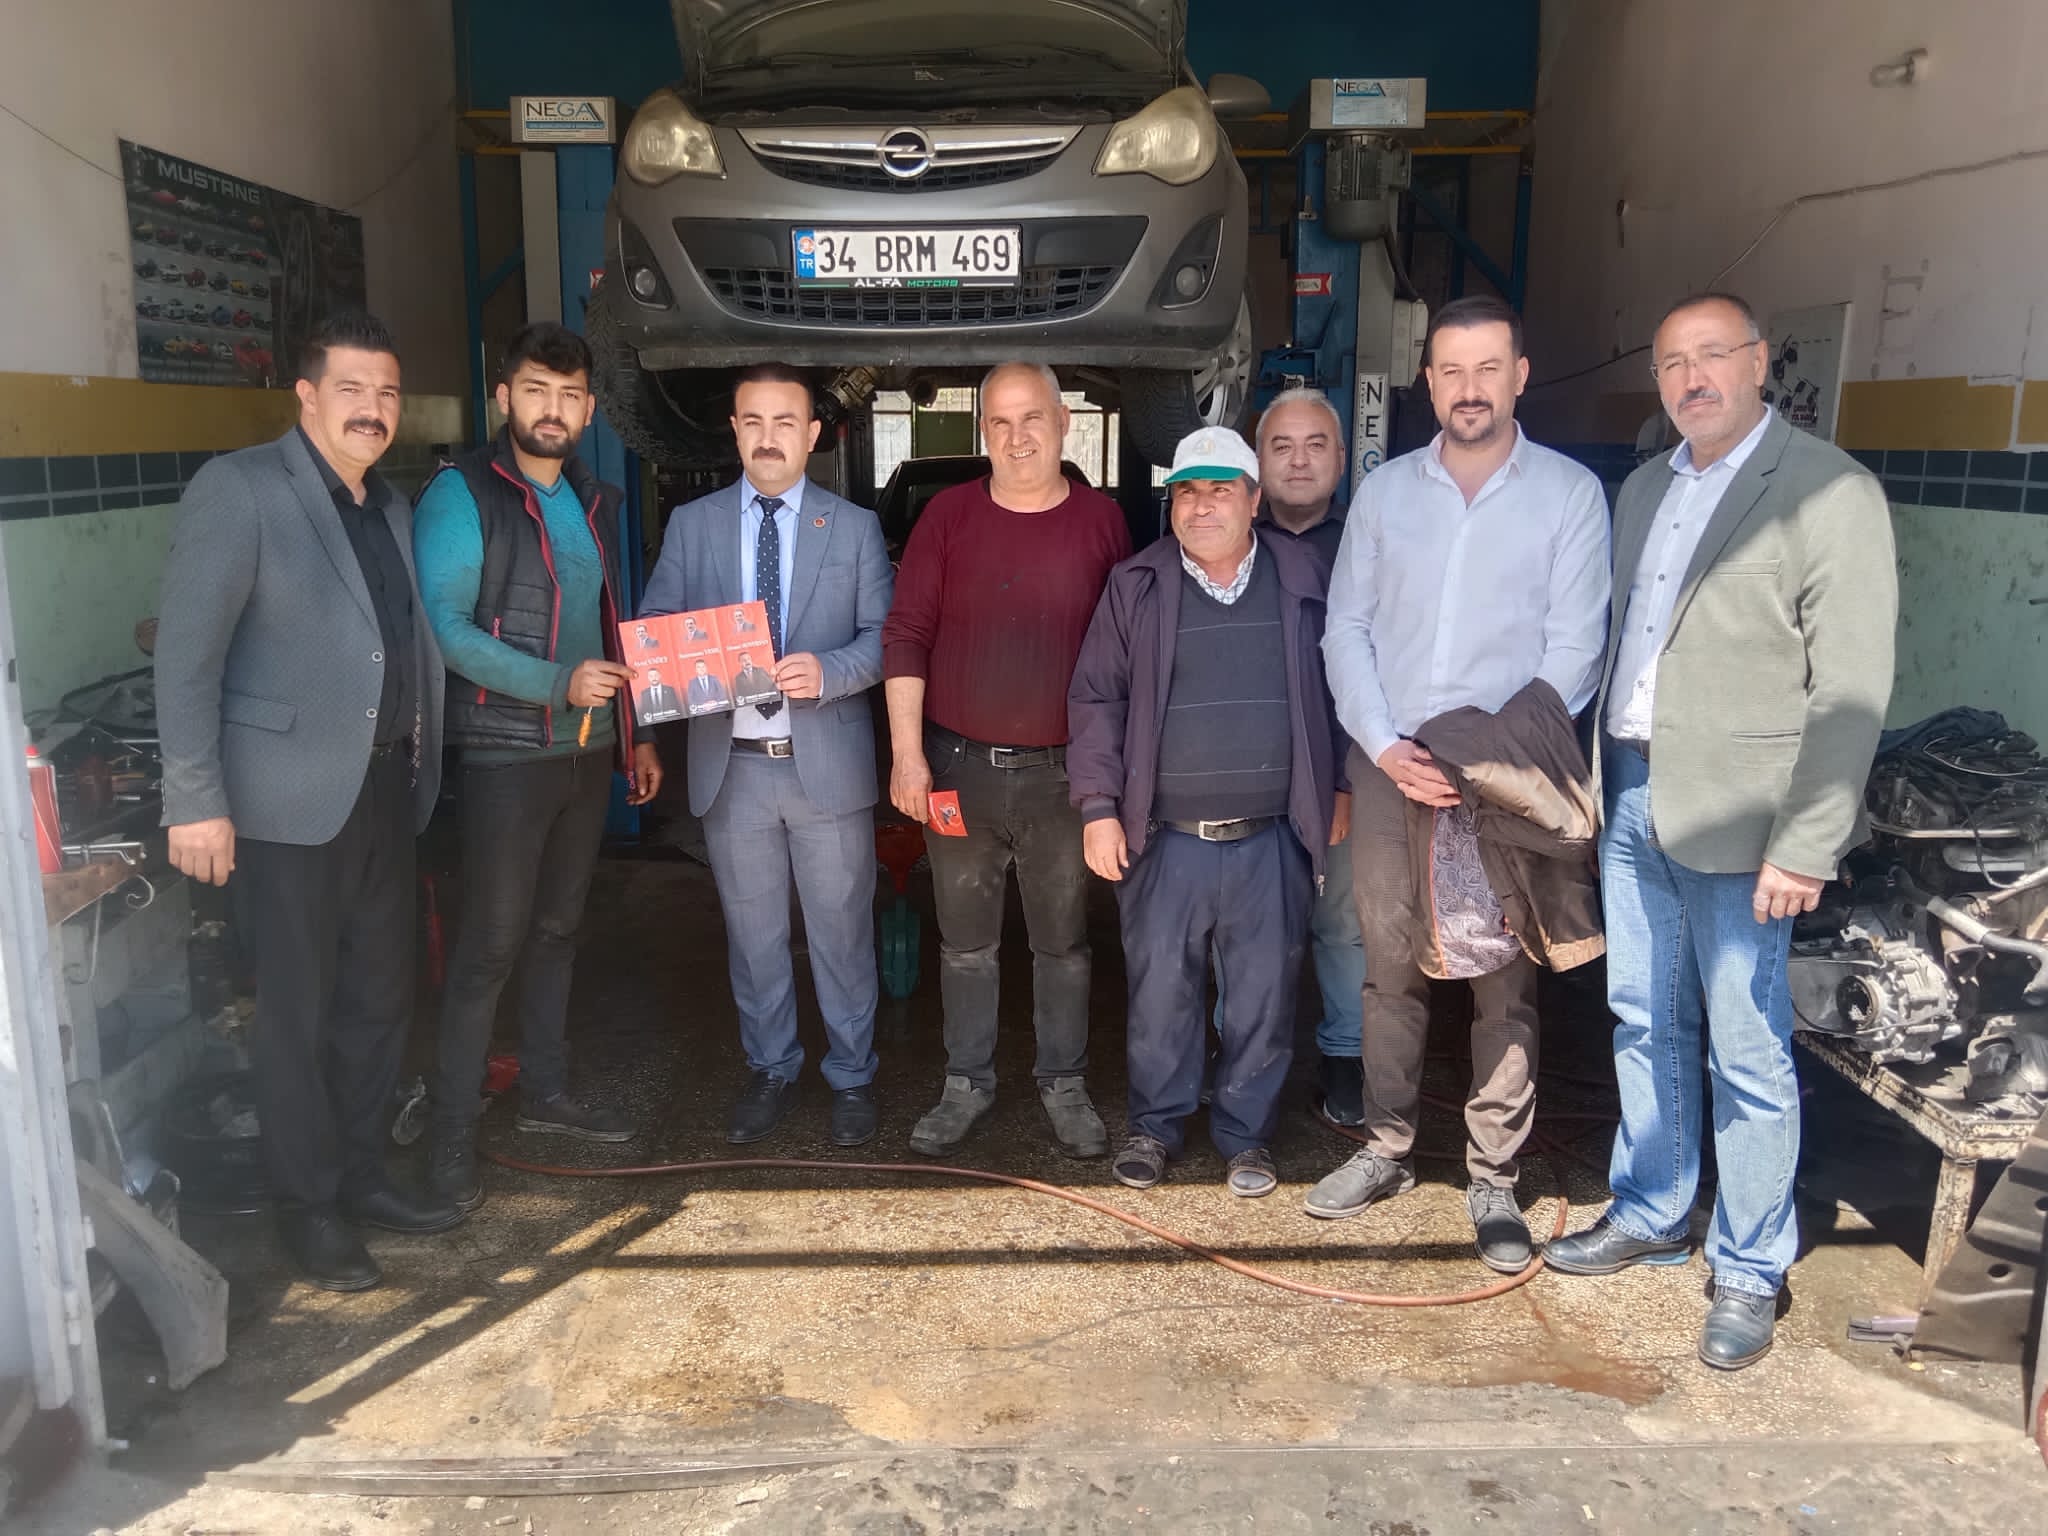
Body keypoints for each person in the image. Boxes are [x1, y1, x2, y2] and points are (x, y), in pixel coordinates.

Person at [1543, 292, 1897, 1370]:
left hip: (1746, 817)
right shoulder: (1647, 488)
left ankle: (1747, 1265)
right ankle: (1652, 1208)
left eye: (1711, 356)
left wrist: (1807, 839)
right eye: (1670, 363)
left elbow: (1849, 688)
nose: (1691, 379)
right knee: (1641, 1016)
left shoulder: (1829, 491)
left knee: (1745, 1045)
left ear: (1758, 363)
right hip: (1632, 789)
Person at [155, 311, 459, 1291]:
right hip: (283, 806)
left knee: (378, 999)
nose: (373, 408)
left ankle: (363, 1177)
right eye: (352, 389)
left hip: (382, 790)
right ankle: (308, 1208)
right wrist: (193, 796)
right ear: (307, 395)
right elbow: (185, 656)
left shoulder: (392, 508)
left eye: (386, 392)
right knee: (296, 1013)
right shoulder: (240, 490)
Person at [1309, 295, 1611, 1273]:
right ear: (1427, 381)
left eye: (1487, 369)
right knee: (1388, 963)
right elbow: (1346, 627)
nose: (1469, 388)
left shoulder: (1567, 495)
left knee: (1502, 978)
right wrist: (1381, 741)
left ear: (1519, 376)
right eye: (1450, 370)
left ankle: (1492, 1176)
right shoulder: (1387, 493)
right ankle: (1386, 1147)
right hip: (1392, 763)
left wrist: (1486, 755)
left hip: (1505, 775)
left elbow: (1574, 648)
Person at [410, 321, 664, 1212]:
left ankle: (546, 1092)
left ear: (588, 409)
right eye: (535, 391)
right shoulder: (462, 493)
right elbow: (444, 631)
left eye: (568, 396)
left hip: (584, 752)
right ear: (504, 397)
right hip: (505, 755)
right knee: (489, 944)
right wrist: (558, 685)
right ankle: (451, 1133)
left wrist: (633, 734)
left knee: (558, 929)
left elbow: (610, 626)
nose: (551, 410)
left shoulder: (591, 498)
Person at [1068, 426, 1341, 1196]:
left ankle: (1246, 1137)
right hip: (1165, 838)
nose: (1202, 506)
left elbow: (1345, 688)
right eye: (1187, 492)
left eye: (1221, 490)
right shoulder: (1137, 585)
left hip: (1273, 836)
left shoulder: (1303, 577)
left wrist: (1344, 789)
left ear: (1254, 500)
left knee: (1263, 995)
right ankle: (1155, 1127)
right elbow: (1096, 699)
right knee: (1162, 993)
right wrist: (1098, 806)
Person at [882, 362, 1132, 1158]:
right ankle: (966, 1083)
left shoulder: (1101, 520)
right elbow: (906, 635)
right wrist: (907, 755)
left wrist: (1114, 777)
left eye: (1032, 418)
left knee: (1063, 943)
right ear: (983, 431)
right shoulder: (948, 517)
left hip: (1064, 777)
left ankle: (1064, 1084)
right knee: (965, 944)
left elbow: (1124, 653)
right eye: (1000, 421)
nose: (1017, 435)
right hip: (959, 770)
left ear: (1063, 423)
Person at [640, 363, 894, 1147]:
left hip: (827, 768)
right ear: (735, 430)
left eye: (785, 422)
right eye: (753, 421)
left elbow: (886, 639)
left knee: (841, 935)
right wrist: (702, 668)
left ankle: (851, 1075)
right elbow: (656, 629)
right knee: (753, 940)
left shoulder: (853, 527)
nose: (768, 437)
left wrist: (832, 671)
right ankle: (771, 1068)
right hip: (735, 768)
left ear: (813, 435)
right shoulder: (694, 524)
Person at [1253, 387, 1365, 1124]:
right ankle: (1239, 1051)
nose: (1298, 461)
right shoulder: (1229, 538)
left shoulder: (1368, 543)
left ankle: (1346, 1056)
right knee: (1247, 927)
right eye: (1282, 446)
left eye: (1315, 445)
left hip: (1342, 772)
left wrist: (1349, 781)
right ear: (1258, 461)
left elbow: (1384, 668)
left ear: (1341, 458)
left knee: (1342, 921)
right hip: (1250, 775)